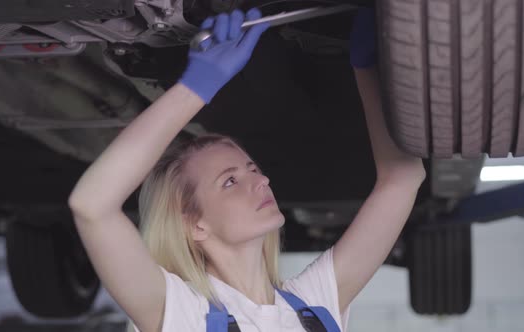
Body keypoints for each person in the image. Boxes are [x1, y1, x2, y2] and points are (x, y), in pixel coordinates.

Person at [68, 7, 425, 332]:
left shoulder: (311, 306)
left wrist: (367, 65)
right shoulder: (182, 314)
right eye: (230, 181)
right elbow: (92, 205)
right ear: (194, 224)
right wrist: (196, 86)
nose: (262, 181)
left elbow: (402, 181)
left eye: (252, 169)